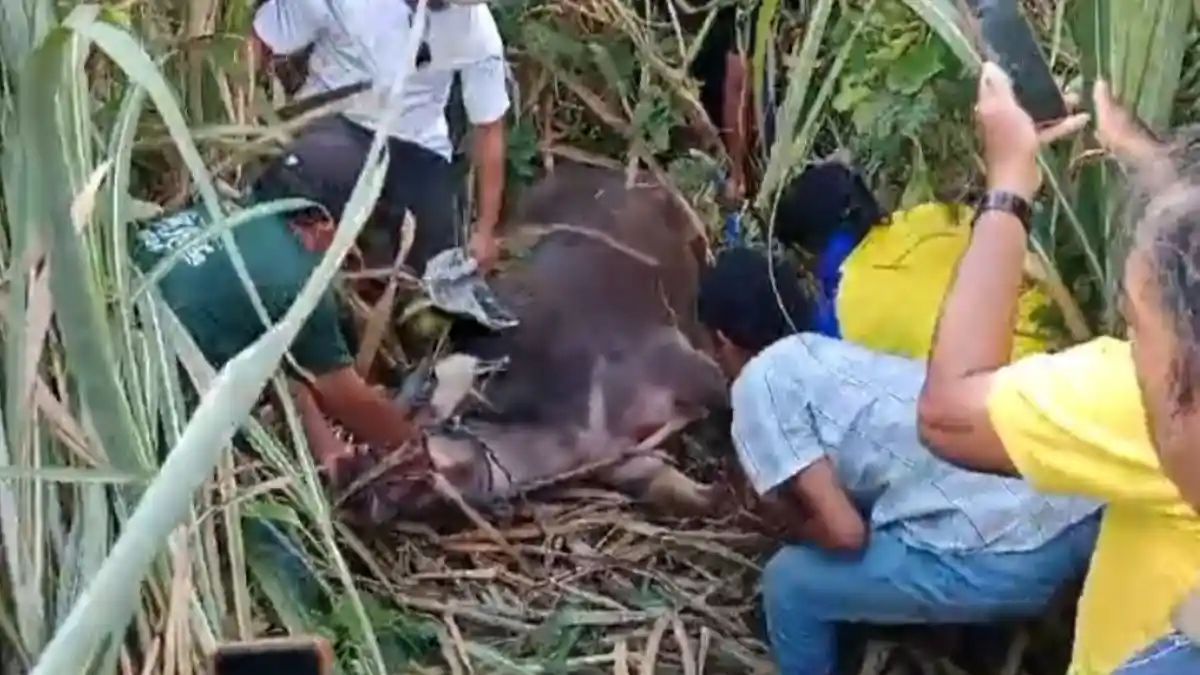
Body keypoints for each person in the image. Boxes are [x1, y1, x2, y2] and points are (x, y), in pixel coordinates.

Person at [694, 246, 1102, 675]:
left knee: (788, 583)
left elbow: (846, 534)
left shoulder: (757, 384)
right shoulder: (830, 354)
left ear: (721, 339)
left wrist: (786, 522)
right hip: (1073, 513)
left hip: (1007, 558)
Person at [917, 63, 1200, 675]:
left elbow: (948, 413)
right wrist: (1151, 165)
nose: (1127, 345)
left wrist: (1009, 185)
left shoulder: (1123, 398)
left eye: (1135, 327)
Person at [134, 132, 423, 480]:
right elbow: (350, 402)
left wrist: (326, 445)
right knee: (271, 525)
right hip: (153, 406)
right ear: (324, 223)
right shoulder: (294, 278)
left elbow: (282, 354)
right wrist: (418, 450)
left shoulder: (230, 209)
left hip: (110, 358)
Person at [250, 0, 509, 274]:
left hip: (417, 143)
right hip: (339, 118)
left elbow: (489, 126)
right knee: (297, 182)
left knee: (443, 259)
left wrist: (485, 230)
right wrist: (241, 115)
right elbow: (261, 39)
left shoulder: (477, 28)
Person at [769, 159, 1062, 360]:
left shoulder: (841, 313)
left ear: (806, 251)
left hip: (1004, 408)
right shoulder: (932, 214)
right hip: (1065, 348)